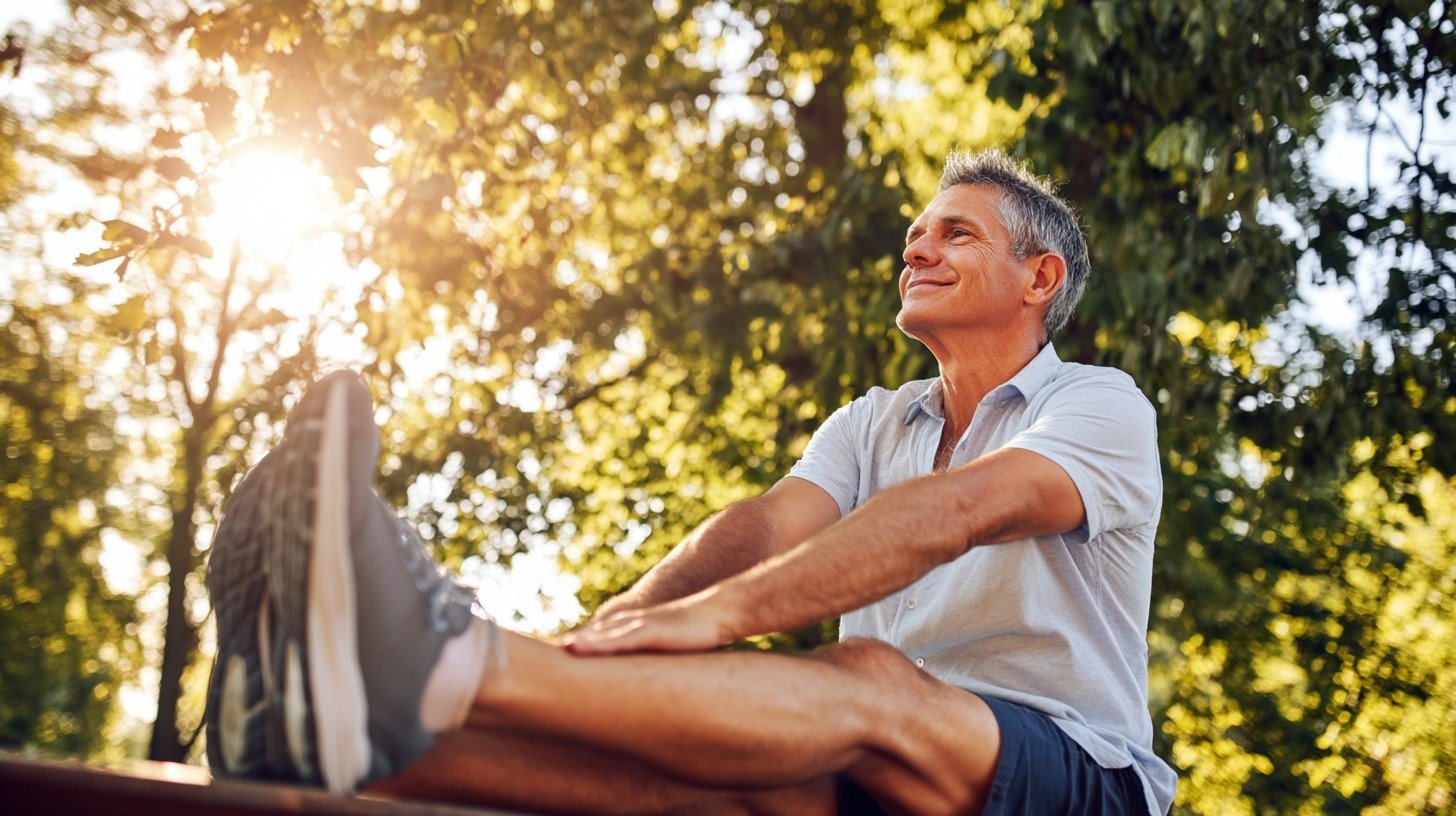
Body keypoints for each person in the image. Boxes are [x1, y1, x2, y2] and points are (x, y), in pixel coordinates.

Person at [204, 150, 1176, 815]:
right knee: (723, 771)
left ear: (1037, 277)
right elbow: (759, 529)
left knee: (868, 683)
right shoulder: (875, 418)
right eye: (916, 233)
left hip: (1073, 773)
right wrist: (606, 638)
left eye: (954, 234)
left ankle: (447, 658)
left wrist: (718, 620)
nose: (917, 248)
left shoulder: (1099, 406)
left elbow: (957, 510)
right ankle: (305, 737)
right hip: (873, 769)